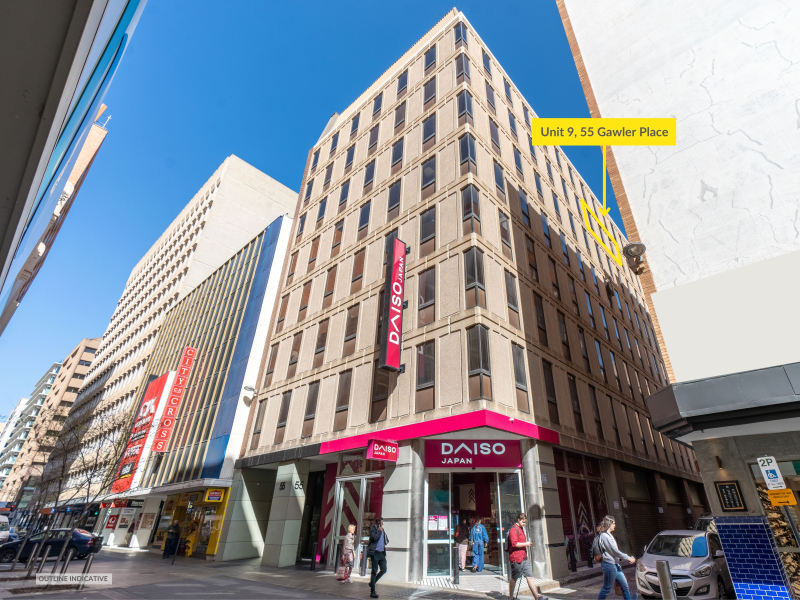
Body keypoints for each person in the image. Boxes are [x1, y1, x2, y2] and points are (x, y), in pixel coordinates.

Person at [593, 516, 635, 600]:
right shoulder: (604, 536)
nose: (615, 525)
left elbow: (614, 552)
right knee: (607, 588)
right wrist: (628, 558)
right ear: (609, 524)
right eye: (613, 523)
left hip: (615, 565)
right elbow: (614, 551)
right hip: (608, 565)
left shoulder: (610, 535)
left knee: (625, 587)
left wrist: (620, 558)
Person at [507, 513, 545, 600]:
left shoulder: (521, 529)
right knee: (514, 578)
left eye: (525, 522)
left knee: (529, 577)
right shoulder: (513, 529)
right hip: (516, 558)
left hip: (524, 557)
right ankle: (511, 597)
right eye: (523, 522)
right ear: (519, 520)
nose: (524, 524)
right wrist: (526, 544)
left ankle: (537, 597)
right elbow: (514, 544)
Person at [367, 518, 389, 598]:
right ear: (378, 522)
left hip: (382, 553)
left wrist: (386, 541)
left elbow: (385, 537)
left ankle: (372, 582)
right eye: (382, 522)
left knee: (384, 569)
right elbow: (373, 538)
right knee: (374, 571)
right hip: (375, 552)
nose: (383, 523)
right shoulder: (373, 528)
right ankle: (372, 592)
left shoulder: (382, 529)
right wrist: (379, 531)